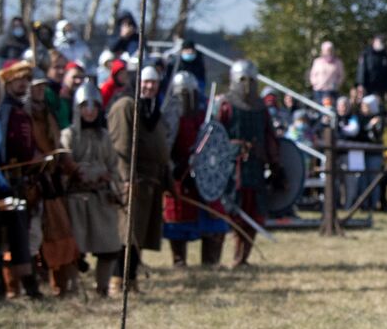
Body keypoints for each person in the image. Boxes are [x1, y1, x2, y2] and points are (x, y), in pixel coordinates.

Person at [108, 65, 170, 293]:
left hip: (150, 180)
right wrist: (127, 178)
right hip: (133, 179)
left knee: (139, 234)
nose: (150, 86)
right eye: (145, 81)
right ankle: (117, 281)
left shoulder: (150, 109)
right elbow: (121, 146)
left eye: (154, 82)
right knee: (127, 232)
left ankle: (130, 280)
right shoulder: (125, 105)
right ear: (137, 81)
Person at [61, 83, 125, 295]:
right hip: (75, 200)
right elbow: (64, 166)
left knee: (109, 247)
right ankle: (73, 288)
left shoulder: (104, 137)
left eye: (94, 106)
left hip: (100, 199)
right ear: (77, 109)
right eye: (85, 106)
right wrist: (85, 172)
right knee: (73, 249)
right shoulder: (69, 135)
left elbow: (113, 168)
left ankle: (102, 288)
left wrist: (110, 181)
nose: (89, 110)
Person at [163, 71, 229, 267]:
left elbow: (216, 145)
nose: (186, 97)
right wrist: (175, 167)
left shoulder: (204, 117)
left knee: (215, 220)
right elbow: (164, 147)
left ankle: (210, 262)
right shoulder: (169, 117)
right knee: (178, 222)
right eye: (182, 93)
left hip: (204, 178)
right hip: (180, 178)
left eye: (189, 92)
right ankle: (179, 261)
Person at [218, 60, 280, 268]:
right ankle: (235, 254)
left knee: (254, 212)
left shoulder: (261, 108)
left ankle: (244, 257)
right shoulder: (225, 104)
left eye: (251, 80)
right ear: (234, 79)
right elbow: (215, 136)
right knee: (234, 212)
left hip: (255, 166)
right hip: (232, 167)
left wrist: (275, 162)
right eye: (242, 79)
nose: (247, 84)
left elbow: (270, 136)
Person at [28, 75, 81, 296]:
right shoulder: (22, 115)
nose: (40, 90)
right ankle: (26, 288)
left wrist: (68, 165)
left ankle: (60, 285)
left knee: (59, 234)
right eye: (35, 87)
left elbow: (57, 144)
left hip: (52, 181)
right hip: (31, 182)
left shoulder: (48, 113)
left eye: (42, 87)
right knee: (32, 238)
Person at [0, 62, 40, 299]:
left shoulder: (22, 109)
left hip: (20, 179)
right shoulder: (4, 110)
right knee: (8, 237)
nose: (23, 83)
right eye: (18, 79)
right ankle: (7, 289)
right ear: (8, 81)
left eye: (26, 79)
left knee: (22, 235)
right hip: (5, 180)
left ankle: (28, 287)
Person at [309, 41, 345, 106]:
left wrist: (337, 84)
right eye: (326, 50)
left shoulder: (338, 62)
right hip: (319, 90)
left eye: (330, 50)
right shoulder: (317, 61)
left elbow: (341, 76)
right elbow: (312, 75)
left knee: (331, 109)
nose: (328, 52)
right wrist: (315, 83)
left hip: (332, 91)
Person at [57, 62, 85, 129]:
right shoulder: (60, 98)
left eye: (81, 78)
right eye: (74, 77)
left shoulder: (82, 98)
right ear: (65, 77)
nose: (78, 81)